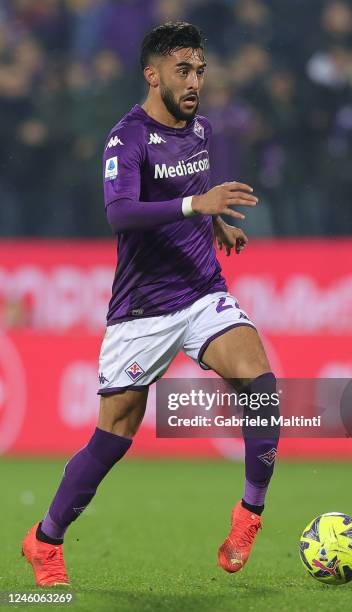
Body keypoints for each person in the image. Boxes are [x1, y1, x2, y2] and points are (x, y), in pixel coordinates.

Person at [21, 21, 279, 586]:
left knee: (260, 379)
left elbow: (187, 199)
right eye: (183, 71)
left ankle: (249, 514)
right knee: (113, 437)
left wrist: (214, 224)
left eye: (201, 71)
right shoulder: (126, 137)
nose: (195, 82)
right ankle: (45, 541)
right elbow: (121, 214)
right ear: (152, 73)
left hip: (201, 292)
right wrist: (196, 205)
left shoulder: (201, 131)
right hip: (142, 310)